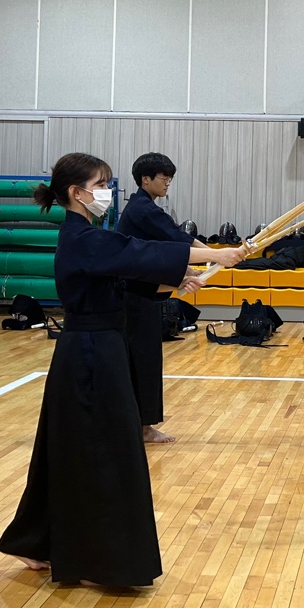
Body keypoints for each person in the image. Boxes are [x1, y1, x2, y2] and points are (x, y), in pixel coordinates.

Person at [0, 152, 246, 588]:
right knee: (103, 451)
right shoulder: (82, 238)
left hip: (98, 348)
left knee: (76, 448)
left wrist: (177, 282)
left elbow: (123, 279)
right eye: (100, 185)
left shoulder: (89, 237)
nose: (106, 193)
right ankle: (97, 560)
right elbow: (138, 251)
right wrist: (216, 253)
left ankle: (36, 540)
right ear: (76, 193)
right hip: (89, 355)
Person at [116, 152, 199, 444]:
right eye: (164, 177)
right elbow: (178, 239)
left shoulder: (142, 208)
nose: (167, 183)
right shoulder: (143, 209)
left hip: (140, 295)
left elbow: (163, 246)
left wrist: (189, 268)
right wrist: (222, 254)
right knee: (144, 362)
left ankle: (140, 426)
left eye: (169, 178)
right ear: (145, 179)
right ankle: (143, 428)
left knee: (142, 361)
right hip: (134, 299)